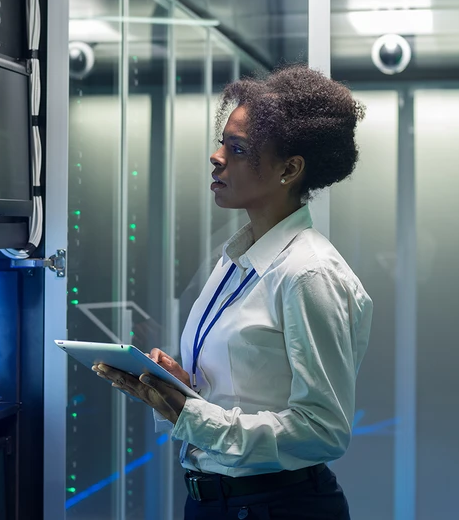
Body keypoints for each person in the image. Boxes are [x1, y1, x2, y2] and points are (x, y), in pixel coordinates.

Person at [94, 65, 372, 520]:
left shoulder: (309, 273)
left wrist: (194, 416)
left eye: (237, 148)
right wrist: (180, 391)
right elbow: (247, 391)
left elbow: (323, 431)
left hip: (279, 507)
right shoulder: (237, 258)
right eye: (222, 141)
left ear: (290, 169)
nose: (216, 156)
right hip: (216, 502)